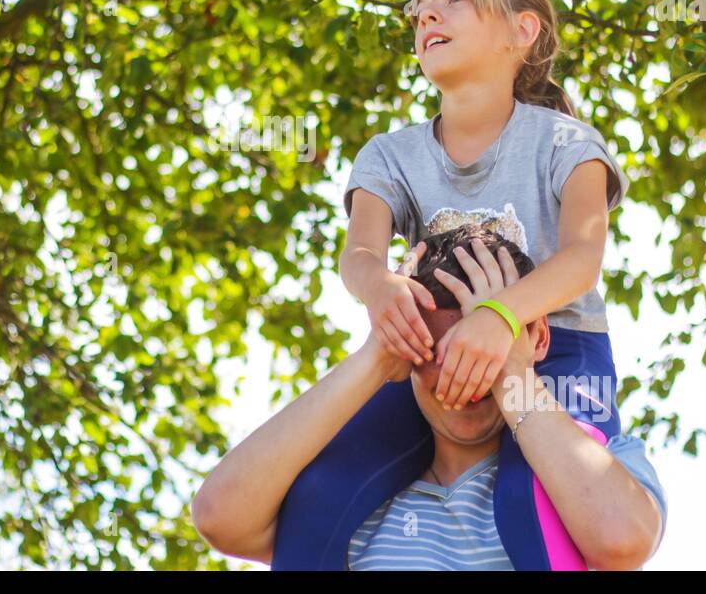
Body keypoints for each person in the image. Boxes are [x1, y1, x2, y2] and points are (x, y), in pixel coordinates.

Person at [274, 0, 633, 569]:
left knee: (529, 501)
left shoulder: (569, 143)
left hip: (561, 351)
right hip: (431, 358)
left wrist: (498, 315)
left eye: (455, 0)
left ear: (522, 31)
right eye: (419, 11)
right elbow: (359, 253)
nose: (426, 16)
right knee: (318, 498)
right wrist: (379, 288)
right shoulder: (389, 155)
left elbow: (581, 258)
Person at [191, 227, 667, 570]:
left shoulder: (602, 464)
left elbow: (623, 541)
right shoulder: (347, 499)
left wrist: (513, 372)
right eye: (435, 349)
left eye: (479, 349)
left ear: (538, 339)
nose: (459, 372)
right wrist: (376, 358)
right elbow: (220, 516)